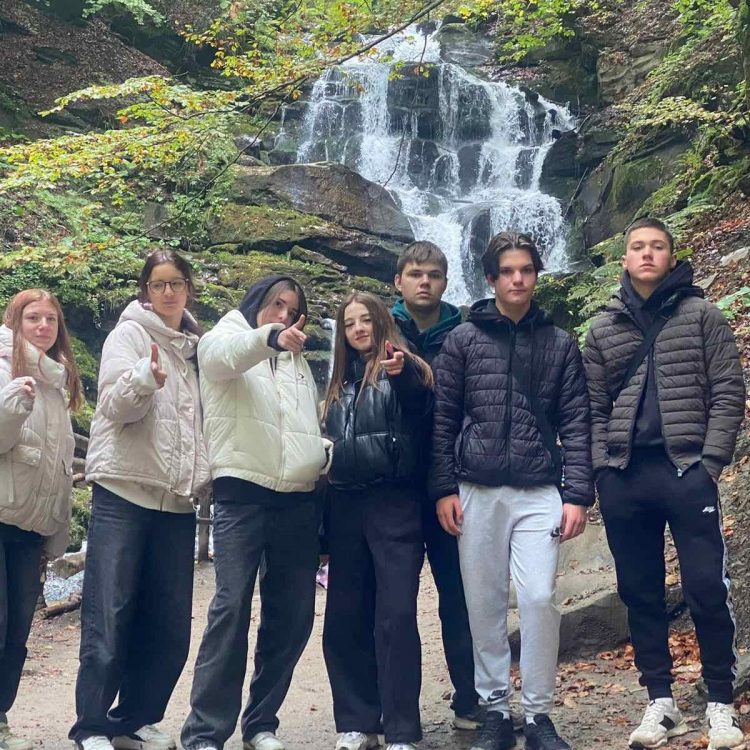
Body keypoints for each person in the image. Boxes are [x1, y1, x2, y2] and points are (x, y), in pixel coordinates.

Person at [582, 217, 746, 750]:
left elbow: (728, 390)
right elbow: (590, 407)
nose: (647, 254)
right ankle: (660, 700)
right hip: (625, 476)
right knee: (640, 592)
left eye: (657, 246)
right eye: (638, 246)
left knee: (706, 587)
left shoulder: (702, 316)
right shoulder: (604, 329)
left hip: (687, 472)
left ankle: (720, 701)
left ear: (672, 258)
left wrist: (710, 462)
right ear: (625, 258)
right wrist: (603, 469)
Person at [430, 232, 593, 750]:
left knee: (540, 598)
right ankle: (496, 710)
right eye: (507, 271)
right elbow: (443, 419)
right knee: (484, 604)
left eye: (526, 269)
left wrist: (577, 494)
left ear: (536, 275)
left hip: (539, 488)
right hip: (476, 488)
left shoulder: (559, 342)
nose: (518, 279)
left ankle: (540, 714)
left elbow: (577, 422)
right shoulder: (463, 340)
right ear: (491, 279)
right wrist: (443, 488)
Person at [181, 275, 331, 750]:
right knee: (231, 609)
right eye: (276, 304)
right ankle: (205, 731)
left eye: (292, 309)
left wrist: (322, 454)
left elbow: (299, 427)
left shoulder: (297, 363)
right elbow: (222, 359)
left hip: (297, 499)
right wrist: (270, 338)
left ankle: (261, 722)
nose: (284, 315)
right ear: (256, 303)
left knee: (293, 615)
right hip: (242, 494)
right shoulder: (224, 337)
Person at [70, 251, 210, 750]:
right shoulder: (128, 335)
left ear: (189, 288)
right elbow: (113, 407)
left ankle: (134, 719)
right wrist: (144, 379)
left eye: (176, 283)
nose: (168, 292)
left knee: (169, 624)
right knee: (109, 612)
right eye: (157, 284)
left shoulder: (197, 351)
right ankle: (90, 726)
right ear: (145, 290)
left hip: (177, 502)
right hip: (125, 492)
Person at [322, 291, 433, 750]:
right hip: (345, 505)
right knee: (345, 616)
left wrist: (401, 374)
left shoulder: (407, 368)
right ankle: (357, 721)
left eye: (365, 320)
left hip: (394, 502)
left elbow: (421, 410)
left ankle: (402, 728)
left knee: (397, 614)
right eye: (350, 324)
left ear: (382, 321)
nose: (358, 329)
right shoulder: (336, 383)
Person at [391, 241, 484, 730]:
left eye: (432, 274)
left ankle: (470, 700)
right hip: (394, 486)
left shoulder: (466, 334)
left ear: (447, 281)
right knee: (393, 600)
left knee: (459, 595)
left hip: (452, 482)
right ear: (398, 282)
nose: (423, 282)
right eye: (414, 274)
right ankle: (394, 712)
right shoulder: (378, 330)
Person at [0, 289, 82, 750]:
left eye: (51, 319)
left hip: (30, 527)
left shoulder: (56, 382)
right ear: (15, 321)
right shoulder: (2, 365)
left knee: (16, 633)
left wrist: (56, 536)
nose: (44, 326)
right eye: (33, 318)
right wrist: (11, 406)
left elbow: (59, 469)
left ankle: (1, 718)